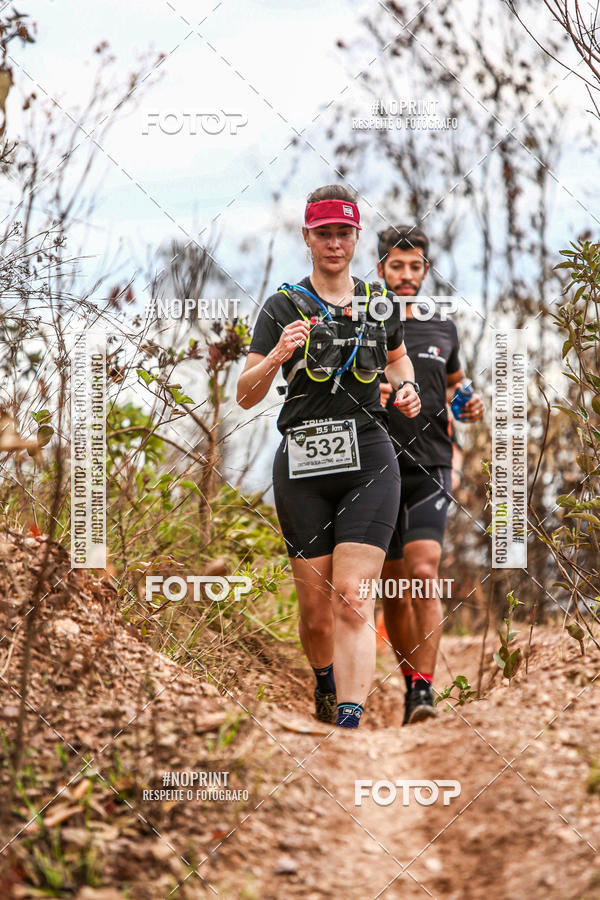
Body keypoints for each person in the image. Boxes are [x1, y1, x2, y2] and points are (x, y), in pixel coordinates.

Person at [236, 187, 421, 729]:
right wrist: (276, 355)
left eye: (344, 232)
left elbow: (399, 359)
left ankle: (348, 720)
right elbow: (245, 394)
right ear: (307, 238)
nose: (335, 243)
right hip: (302, 465)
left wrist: (406, 389)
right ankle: (323, 682)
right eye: (324, 233)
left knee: (352, 597)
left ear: (358, 236)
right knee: (317, 617)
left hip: (368, 455)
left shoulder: (377, 301)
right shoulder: (281, 306)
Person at [376, 224, 484, 725]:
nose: (405, 275)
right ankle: (408, 686)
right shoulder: (363, 324)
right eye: (396, 265)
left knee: (423, 574)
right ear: (380, 269)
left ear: (425, 270)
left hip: (432, 464)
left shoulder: (444, 327)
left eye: (414, 266)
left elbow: (456, 389)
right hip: (377, 467)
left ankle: (424, 690)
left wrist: (470, 403)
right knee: (394, 589)